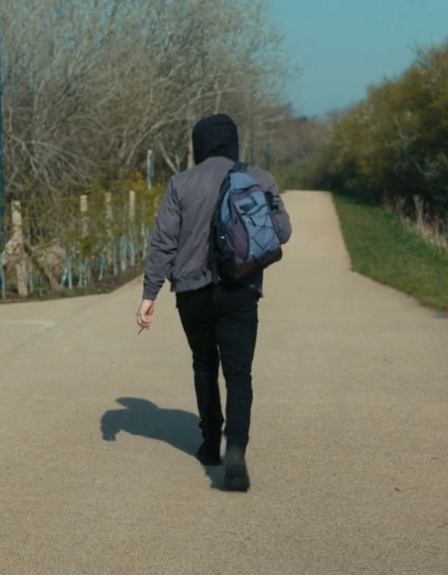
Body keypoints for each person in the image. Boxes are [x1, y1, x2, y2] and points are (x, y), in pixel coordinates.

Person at [136, 113, 292, 492]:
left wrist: (149, 294)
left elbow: (163, 243)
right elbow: (283, 231)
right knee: (239, 374)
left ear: (199, 144)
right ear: (234, 142)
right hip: (240, 289)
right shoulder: (259, 178)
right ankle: (235, 450)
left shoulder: (181, 183)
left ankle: (209, 443)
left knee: (204, 365)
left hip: (193, 293)